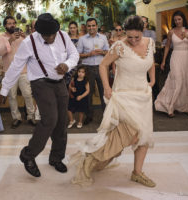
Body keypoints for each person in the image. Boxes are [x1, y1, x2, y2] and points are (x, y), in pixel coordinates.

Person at [71, 15, 156, 187]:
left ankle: (137, 173)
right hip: (123, 96)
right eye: (129, 36)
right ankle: (91, 159)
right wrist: (107, 87)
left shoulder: (150, 43)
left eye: (136, 37)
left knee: (144, 135)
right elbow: (103, 65)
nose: (132, 40)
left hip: (143, 96)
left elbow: (151, 63)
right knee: (126, 135)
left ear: (143, 32)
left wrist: (152, 81)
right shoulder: (119, 46)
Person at [0, 13, 79, 177]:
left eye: (52, 35)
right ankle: (28, 155)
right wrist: (4, 89)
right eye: (46, 35)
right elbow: (15, 66)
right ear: (39, 32)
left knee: (62, 121)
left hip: (60, 83)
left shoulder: (63, 36)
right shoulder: (29, 43)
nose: (50, 38)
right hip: (40, 83)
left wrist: (67, 64)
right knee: (50, 119)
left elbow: (74, 55)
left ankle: (56, 158)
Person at [155, 10, 188, 117]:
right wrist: (164, 60)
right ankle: (170, 107)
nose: (177, 21)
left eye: (179, 19)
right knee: (177, 79)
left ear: (183, 19)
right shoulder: (171, 32)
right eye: (175, 20)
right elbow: (168, 46)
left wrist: (187, 36)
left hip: (187, 56)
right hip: (176, 56)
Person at [0, 16, 36, 127]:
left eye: (13, 23)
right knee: (12, 96)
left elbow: (31, 50)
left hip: (24, 70)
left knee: (27, 94)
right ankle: (16, 118)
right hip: (9, 72)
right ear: (5, 26)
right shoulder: (1, 38)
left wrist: (26, 38)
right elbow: (0, 52)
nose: (12, 25)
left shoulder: (22, 37)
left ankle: (31, 117)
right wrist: (10, 40)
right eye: (9, 23)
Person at [77, 18, 109, 125]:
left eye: (93, 25)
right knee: (88, 93)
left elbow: (109, 53)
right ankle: (89, 116)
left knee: (103, 92)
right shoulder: (82, 39)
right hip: (88, 68)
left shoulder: (103, 38)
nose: (91, 28)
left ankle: (106, 115)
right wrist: (88, 54)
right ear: (86, 27)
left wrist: (102, 52)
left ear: (97, 26)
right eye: (89, 26)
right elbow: (78, 54)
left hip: (101, 68)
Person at [65, 21, 80, 87]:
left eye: (74, 28)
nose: (72, 29)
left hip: (79, 62)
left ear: (77, 28)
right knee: (68, 81)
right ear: (69, 29)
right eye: (71, 28)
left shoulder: (81, 38)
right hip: (69, 61)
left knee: (78, 80)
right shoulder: (66, 38)